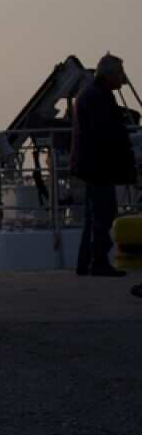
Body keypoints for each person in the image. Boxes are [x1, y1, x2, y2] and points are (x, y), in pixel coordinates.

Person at [71, 54, 137, 277]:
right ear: (109, 75)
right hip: (99, 166)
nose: (123, 80)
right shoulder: (99, 97)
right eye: (120, 74)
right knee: (103, 214)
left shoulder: (90, 94)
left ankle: (85, 263)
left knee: (93, 215)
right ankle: (98, 263)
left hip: (91, 164)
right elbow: (106, 133)